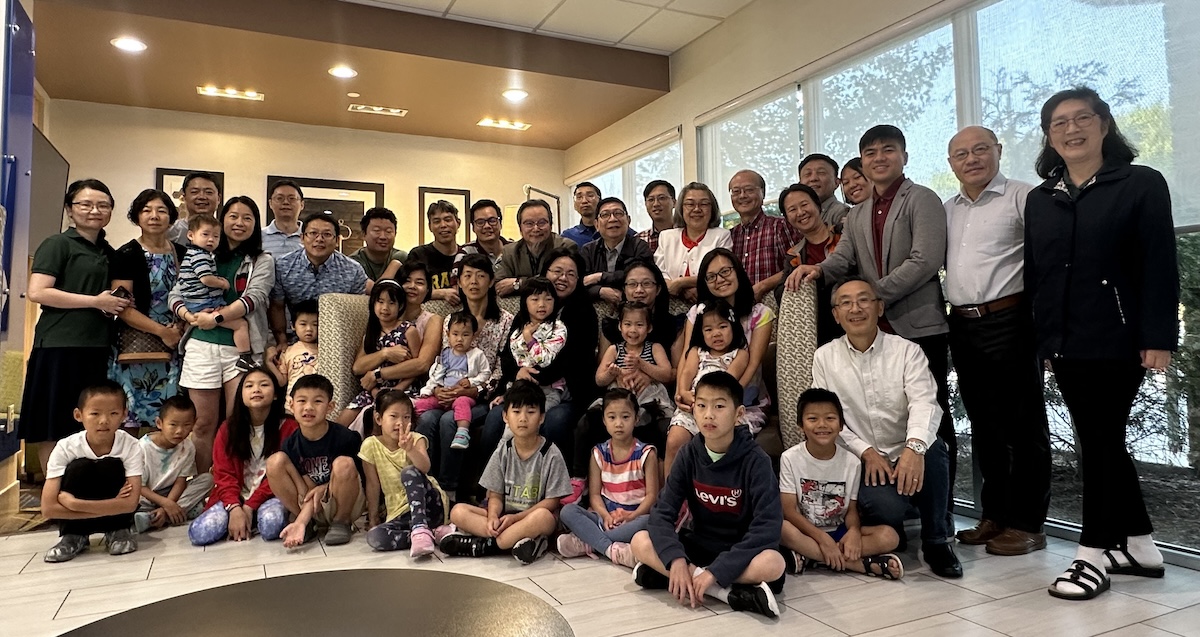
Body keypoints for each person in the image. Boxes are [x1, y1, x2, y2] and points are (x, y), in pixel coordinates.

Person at [1027, 88, 1178, 601]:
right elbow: (1040, 274)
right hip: (1065, 341)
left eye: (1082, 118)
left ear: (1104, 125)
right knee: (1103, 441)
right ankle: (1141, 548)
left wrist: (1158, 337)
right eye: (1059, 123)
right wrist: (1045, 341)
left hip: (1119, 338)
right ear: (1049, 136)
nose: (1072, 129)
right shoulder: (1041, 198)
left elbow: (1159, 263)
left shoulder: (1140, 183)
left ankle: (1091, 553)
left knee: (1099, 442)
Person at [791, 125, 956, 503]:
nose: (879, 158)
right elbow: (843, 258)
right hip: (874, 329)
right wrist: (817, 270)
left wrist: (869, 296)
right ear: (863, 162)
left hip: (918, 325)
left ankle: (940, 510)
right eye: (870, 153)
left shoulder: (922, 198)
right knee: (878, 411)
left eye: (888, 150)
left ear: (904, 156)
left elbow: (925, 260)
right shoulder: (859, 212)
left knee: (930, 418)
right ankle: (893, 501)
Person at [943, 125, 1050, 557]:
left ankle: (1028, 523)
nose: (971, 159)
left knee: (1025, 426)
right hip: (963, 325)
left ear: (998, 151)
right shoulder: (947, 209)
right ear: (951, 163)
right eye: (961, 154)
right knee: (985, 425)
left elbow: (1045, 262)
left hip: (1012, 320)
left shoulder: (1025, 197)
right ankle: (995, 515)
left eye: (980, 149)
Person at [811, 278, 961, 579]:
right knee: (887, 509)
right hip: (865, 459)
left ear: (879, 307)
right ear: (836, 315)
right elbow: (828, 418)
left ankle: (936, 541)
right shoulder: (824, 357)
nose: (856, 309)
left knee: (933, 448)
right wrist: (865, 451)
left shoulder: (907, 351)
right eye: (846, 303)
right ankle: (892, 529)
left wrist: (913, 449)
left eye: (864, 300)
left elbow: (925, 403)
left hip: (905, 448)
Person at [630, 372, 784, 619]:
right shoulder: (688, 454)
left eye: (719, 406)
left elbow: (767, 529)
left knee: (774, 563)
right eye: (701, 406)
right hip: (700, 545)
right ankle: (726, 593)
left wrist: (716, 571)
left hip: (739, 552)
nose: (709, 415)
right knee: (639, 541)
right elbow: (662, 513)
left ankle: (678, 578)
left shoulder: (757, 461)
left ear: (739, 414)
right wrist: (676, 559)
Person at [23, 179, 130, 479]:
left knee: (87, 421)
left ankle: (81, 488)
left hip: (97, 347)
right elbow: (38, 291)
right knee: (53, 422)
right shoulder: (57, 244)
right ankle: (53, 491)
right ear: (70, 210)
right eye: (85, 204)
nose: (95, 210)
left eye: (103, 205)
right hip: (58, 344)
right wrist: (95, 301)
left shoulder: (109, 251)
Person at [170, 196, 275, 473]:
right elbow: (176, 293)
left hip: (240, 350)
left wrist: (215, 317)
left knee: (237, 421)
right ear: (222, 219)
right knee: (202, 424)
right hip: (201, 345)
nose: (239, 223)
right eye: (233, 216)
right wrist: (189, 316)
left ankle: (234, 483)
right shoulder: (201, 253)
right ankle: (203, 483)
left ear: (256, 224)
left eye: (247, 218)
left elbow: (254, 298)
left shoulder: (261, 260)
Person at [439, 380, 571, 564]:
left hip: (531, 517)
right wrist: (493, 517)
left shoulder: (551, 453)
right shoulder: (503, 451)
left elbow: (552, 502)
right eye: (516, 412)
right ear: (505, 417)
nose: (523, 418)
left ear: (541, 417)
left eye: (531, 412)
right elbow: (495, 494)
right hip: (505, 517)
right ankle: (516, 541)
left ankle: (486, 545)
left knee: (543, 518)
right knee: (458, 511)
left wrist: (516, 518)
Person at [415, 254, 513, 501]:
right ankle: (426, 487)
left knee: (450, 421)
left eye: (480, 276)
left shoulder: (505, 321)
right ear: (459, 282)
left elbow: (503, 367)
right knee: (427, 418)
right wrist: (438, 389)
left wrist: (476, 390)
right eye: (467, 276)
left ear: (491, 281)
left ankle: (449, 491)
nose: (473, 282)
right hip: (449, 390)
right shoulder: (452, 320)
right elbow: (444, 359)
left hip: (482, 396)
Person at [779, 388, 902, 579]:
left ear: (841, 425)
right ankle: (858, 565)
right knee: (781, 529)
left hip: (839, 531)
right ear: (800, 425)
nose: (822, 425)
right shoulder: (789, 458)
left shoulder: (852, 462)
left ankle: (811, 557)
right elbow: (788, 510)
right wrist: (822, 539)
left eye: (830, 418)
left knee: (890, 537)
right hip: (807, 532)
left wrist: (853, 531)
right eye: (812, 419)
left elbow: (851, 509)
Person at [108, 189, 188, 431]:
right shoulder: (126, 254)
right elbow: (121, 307)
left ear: (171, 217)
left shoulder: (183, 254)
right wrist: (162, 332)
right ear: (137, 217)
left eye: (161, 210)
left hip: (176, 344)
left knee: (170, 419)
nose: (154, 216)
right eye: (146, 210)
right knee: (129, 418)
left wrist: (179, 329)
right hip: (137, 345)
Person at [188, 368, 296, 545]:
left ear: (276, 394)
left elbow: (281, 476)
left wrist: (250, 505)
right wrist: (234, 508)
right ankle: (242, 521)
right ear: (241, 395)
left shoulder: (289, 427)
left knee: (271, 525)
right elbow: (223, 474)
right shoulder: (228, 429)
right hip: (234, 497)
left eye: (264, 385)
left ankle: (252, 518)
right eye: (249, 386)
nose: (256, 390)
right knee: (199, 534)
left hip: (270, 496)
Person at [40, 381, 144, 563]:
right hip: (89, 515)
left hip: (111, 516)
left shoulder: (131, 445)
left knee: (111, 465)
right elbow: (48, 508)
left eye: (113, 413)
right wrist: (113, 505)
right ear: (78, 415)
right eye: (95, 413)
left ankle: (117, 530)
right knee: (79, 467)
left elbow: (130, 504)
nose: (104, 420)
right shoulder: (66, 447)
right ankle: (74, 534)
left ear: (124, 415)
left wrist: (75, 504)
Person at [558, 388, 659, 568]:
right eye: (612, 417)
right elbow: (595, 494)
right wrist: (605, 516)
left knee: (649, 522)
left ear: (636, 419)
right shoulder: (599, 453)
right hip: (605, 518)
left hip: (635, 517)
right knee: (568, 511)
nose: (618, 423)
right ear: (604, 420)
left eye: (625, 417)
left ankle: (589, 542)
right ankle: (611, 549)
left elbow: (652, 496)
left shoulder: (646, 453)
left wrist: (632, 516)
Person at [681, 249, 774, 436]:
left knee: (725, 438)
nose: (720, 280)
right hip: (698, 400)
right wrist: (680, 392)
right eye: (711, 276)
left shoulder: (760, 314)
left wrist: (726, 400)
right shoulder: (697, 313)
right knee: (677, 439)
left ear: (737, 271)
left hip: (743, 401)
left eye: (725, 271)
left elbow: (752, 364)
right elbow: (687, 355)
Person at [575, 302, 674, 476]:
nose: (633, 330)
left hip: (650, 401)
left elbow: (666, 374)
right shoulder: (614, 349)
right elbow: (599, 379)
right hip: (619, 402)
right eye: (628, 324)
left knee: (664, 427)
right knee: (586, 422)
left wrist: (642, 365)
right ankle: (579, 475)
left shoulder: (655, 348)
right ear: (620, 326)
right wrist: (612, 374)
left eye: (639, 325)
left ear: (649, 328)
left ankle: (666, 477)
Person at [268, 374, 365, 547]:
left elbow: (357, 479)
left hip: (342, 500)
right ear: (291, 405)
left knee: (344, 464)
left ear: (330, 407)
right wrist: (302, 520)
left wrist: (325, 487)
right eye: (302, 401)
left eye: (318, 401)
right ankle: (307, 524)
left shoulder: (346, 437)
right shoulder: (291, 444)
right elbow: (307, 489)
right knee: (275, 462)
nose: (309, 407)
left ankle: (341, 522)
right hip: (310, 501)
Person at [361, 390, 450, 557]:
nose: (400, 423)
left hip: (429, 505)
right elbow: (372, 484)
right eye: (393, 416)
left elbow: (425, 467)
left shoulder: (416, 439)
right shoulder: (370, 445)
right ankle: (431, 534)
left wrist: (410, 450)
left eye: (406, 417)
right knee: (375, 537)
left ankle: (421, 528)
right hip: (399, 512)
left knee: (409, 472)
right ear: (379, 418)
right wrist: (373, 518)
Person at [667, 300, 749, 476]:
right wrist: (683, 392)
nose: (716, 333)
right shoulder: (697, 351)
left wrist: (705, 401)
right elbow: (687, 373)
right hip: (692, 405)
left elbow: (728, 381)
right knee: (674, 440)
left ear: (733, 327)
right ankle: (670, 490)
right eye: (708, 329)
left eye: (723, 327)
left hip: (720, 407)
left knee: (728, 444)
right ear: (701, 332)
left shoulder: (740, 354)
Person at [269, 210, 368, 351]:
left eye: (326, 234)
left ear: (337, 240)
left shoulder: (353, 270)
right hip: (296, 341)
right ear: (302, 238)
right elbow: (277, 306)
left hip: (339, 344)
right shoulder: (283, 266)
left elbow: (357, 314)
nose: (319, 239)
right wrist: (282, 341)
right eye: (313, 233)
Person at [178, 214, 256, 372]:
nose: (211, 240)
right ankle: (245, 357)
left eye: (215, 236)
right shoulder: (200, 256)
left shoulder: (195, 254)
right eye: (205, 234)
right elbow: (206, 279)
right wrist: (222, 283)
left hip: (197, 303)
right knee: (240, 324)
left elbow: (255, 297)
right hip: (203, 303)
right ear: (191, 235)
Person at [339, 279, 422, 428]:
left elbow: (416, 368)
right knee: (341, 422)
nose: (385, 307)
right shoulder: (371, 333)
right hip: (374, 390)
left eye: (391, 303)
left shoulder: (409, 330)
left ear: (400, 305)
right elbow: (358, 368)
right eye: (380, 301)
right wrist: (385, 353)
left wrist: (398, 389)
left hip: (403, 390)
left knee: (375, 419)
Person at [133, 395, 214, 534]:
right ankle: (181, 511)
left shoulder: (187, 446)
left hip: (171, 493)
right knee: (132, 501)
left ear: (194, 424)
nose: (179, 431)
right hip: (147, 496)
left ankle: (160, 516)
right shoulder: (142, 447)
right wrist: (167, 504)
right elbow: (139, 487)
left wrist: (167, 505)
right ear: (159, 423)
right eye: (173, 425)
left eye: (186, 425)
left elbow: (180, 481)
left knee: (208, 479)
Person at [775, 183, 843, 345]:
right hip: (818, 332)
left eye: (804, 204)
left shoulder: (843, 235)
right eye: (792, 209)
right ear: (787, 218)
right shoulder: (794, 254)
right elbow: (781, 294)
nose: (800, 212)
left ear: (818, 206)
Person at [412, 311, 491, 451]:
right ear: (448, 335)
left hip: (463, 395)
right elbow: (436, 375)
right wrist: (433, 390)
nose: (460, 339)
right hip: (444, 394)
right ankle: (410, 424)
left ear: (474, 336)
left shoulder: (477, 355)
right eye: (455, 334)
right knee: (423, 404)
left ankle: (462, 433)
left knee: (462, 404)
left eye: (465, 335)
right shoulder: (445, 354)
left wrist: (471, 382)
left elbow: (486, 373)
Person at [493, 277, 569, 413]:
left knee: (530, 417)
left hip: (547, 391)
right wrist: (509, 392)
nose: (542, 304)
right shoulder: (519, 329)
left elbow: (544, 359)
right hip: (519, 389)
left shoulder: (558, 328)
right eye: (535, 299)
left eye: (548, 299)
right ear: (525, 302)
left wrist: (529, 338)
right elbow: (511, 359)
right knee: (502, 418)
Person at [655, 182, 733, 304]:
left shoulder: (721, 235)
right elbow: (659, 273)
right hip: (670, 304)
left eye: (704, 204)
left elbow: (722, 273)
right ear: (681, 208)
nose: (697, 209)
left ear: (712, 208)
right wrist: (679, 289)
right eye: (690, 204)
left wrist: (681, 283)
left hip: (711, 303)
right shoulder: (666, 237)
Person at [727, 169, 799, 298]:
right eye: (736, 191)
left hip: (775, 303)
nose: (742, 196)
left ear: (763, 193)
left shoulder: (780, 226)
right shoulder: (730, 236)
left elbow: (797, 264)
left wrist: (763, 286)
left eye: (749, 190)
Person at [580, 197, 653, 303]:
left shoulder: (640, 247)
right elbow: (579, 284)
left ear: (628, 220)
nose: (612, 219)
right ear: (596, 225)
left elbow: (639, 277)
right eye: (605, 215)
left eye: (618, 213)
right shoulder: (588, 250)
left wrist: (601, 276)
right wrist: (599, 291)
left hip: (634, 306)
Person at [495, 199, 573, 296]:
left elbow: (564, 283)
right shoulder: (509, 252)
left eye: (542, 222)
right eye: (529, 223)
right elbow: (499, 287)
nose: (536, 229)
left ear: (550, 225)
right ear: (520, 228)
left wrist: (520, 283)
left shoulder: (566, 247)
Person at [264, 299, 320, 409]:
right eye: (303, 324)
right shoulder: (288, 351)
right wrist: (269, 363)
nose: (309, 329)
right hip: (293, 405)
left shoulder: (326, 350)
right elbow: (282, 382)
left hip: (318, 403)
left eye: (315, 324)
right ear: (293, 326)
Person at [407, 200, 466, 303]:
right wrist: (440, 293)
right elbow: (407, 289)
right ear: (430, 226)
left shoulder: (466, 255)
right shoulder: (418, 255)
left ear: (458, 223)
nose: (443, 225)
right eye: (436, 221)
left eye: (448, 220)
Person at [349, 207, 408, 292]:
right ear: (363, 235)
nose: (383, 237)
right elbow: (377, 293)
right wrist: (394, 266)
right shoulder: (353, 263)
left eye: (388, 231)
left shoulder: (403, 258)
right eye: (377, 231)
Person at [167, 172, 222, 246]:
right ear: (184, 198)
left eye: (208, 192)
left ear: (218, 199)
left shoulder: (225, 232)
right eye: (194, 192)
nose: (202, 197)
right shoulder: (171, 231)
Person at [799, 153, 851, 228]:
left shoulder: (841, 212)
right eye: (808, 174)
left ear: (836, 182)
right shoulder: (799, 215)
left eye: (821, 173)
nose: (813, 178)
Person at [461, 199, 510, 271]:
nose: (487, 226)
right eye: (480, 222)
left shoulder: (515, 250)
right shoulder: (465, 253)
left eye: (492, 221)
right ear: (473, 228)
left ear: (500, 224)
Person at [261, 179, 304, 260]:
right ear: (270, 203)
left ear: (302, 204)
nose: (286, 202)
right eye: (279, 198)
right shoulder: (258, 237)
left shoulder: (311, 238)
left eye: (292, 198)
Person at [637, 180, 676, 253]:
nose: (656, 204)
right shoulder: (638, 241)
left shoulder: (686, 234)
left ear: (674, 202)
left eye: (661, 198)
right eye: (651, 199)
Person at [562, 181, 602, 247]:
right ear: (574, 205)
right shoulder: (568, 236)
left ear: (599, 200)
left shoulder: (611, 231)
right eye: (579, 197)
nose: (584, 201)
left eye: (590, 195)